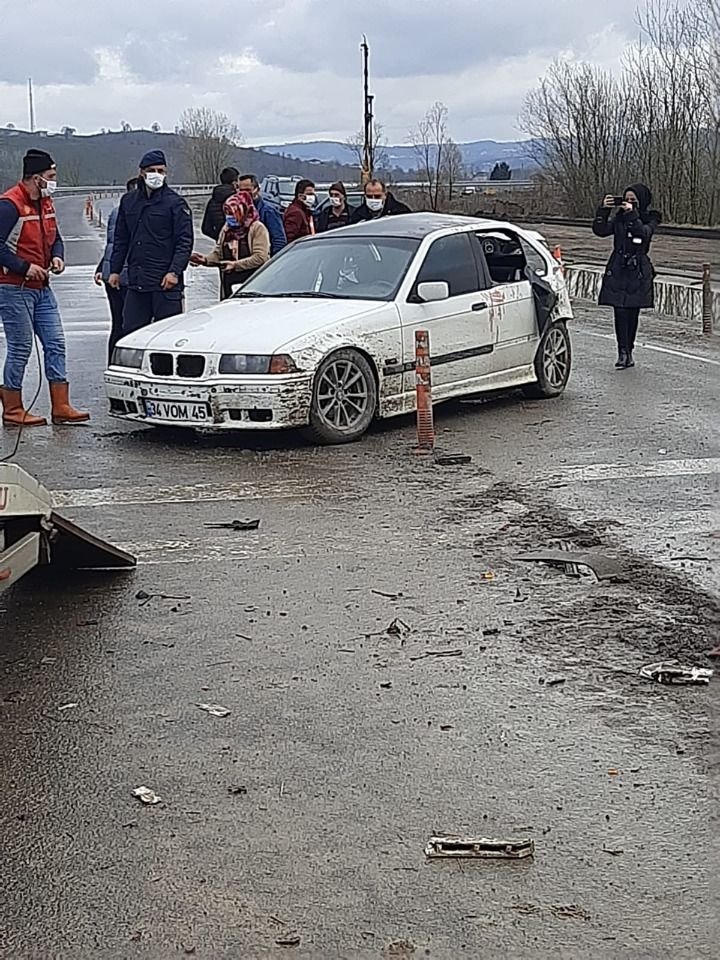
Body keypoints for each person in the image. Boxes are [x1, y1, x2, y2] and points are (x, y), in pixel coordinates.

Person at [0, 149, 88, 426]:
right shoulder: (9, 205)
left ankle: (60, 405)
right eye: (51, 176)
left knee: (56, 342)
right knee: (21, 346)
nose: (54, 181)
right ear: (36, 178)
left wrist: (57, 256)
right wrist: (24, 267)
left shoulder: (46, 204)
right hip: (14, 287)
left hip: (42, 286)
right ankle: (13, 408)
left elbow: (56, 237)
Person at [109, 150, 194, 334]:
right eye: (151, 170)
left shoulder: (175, 203)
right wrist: (115, 270)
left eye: (160, 171)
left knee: (167, 335)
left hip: (165, 283)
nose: (156, 174)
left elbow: (184, 241)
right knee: (131, 332)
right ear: (141, 172)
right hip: (137, 282)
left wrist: (174, 272)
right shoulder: (129, 201)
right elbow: (121, 239)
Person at [593, 184, 661, 369]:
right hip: (619, 266)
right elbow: (600, 230)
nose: (629, 203)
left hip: (638, 269)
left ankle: (629, 349)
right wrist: (604, 210)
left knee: (632, 312)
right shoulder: (619, 219)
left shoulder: (651, 218)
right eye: (626, 200)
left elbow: (643, 233)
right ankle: (622, 351)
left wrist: (632, 214)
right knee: (619, 310)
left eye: (633, 201)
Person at [190, 191, 270, 299]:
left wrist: (235, 265)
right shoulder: (227, 229)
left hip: (251, 283)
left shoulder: (257, 228)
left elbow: (260, 257)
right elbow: (218, 253)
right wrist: (204, 260)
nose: (229, 218)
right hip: (229, 284)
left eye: (232, 214)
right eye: (227, 214)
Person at [95, 177, 139, 362]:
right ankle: (127, 364)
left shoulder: (115, 212)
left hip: (110, 272)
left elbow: (112, 244)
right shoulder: (135, 213)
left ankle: (112, 361)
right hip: (127, 274)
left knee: (117, 323)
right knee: (132, 324)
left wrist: (102, 266)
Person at [236, 174, 286, 255]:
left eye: (248, 190)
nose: (244, 194)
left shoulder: (268, 211)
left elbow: (279, 240)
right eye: (241, 191)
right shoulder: (236, 210)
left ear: (257, 189)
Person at [201, 167, 239, 241]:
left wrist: (220, 237)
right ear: (234, 182)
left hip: (221, 245)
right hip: (239, 244)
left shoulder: (213, 201)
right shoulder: (237, 200)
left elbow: (206, 229)